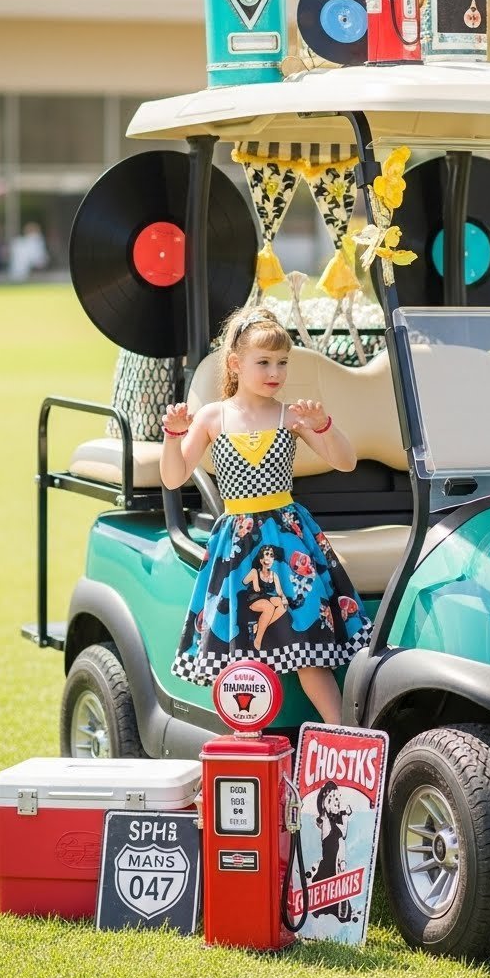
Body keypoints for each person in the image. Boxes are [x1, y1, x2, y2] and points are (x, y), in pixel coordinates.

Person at [161, 306, 372, 724]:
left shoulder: (290, 414)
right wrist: (174, 435)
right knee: (239, 652)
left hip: (288, 537)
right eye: (264, 363)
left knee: (309, 648)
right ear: (236, 364)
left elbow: (345, 461)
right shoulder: (212, 416)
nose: (275, 371)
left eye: (282, 363)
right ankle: (248, 749)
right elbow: (173, 476)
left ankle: (343, 734)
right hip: (237, 545)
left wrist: (324, 425)